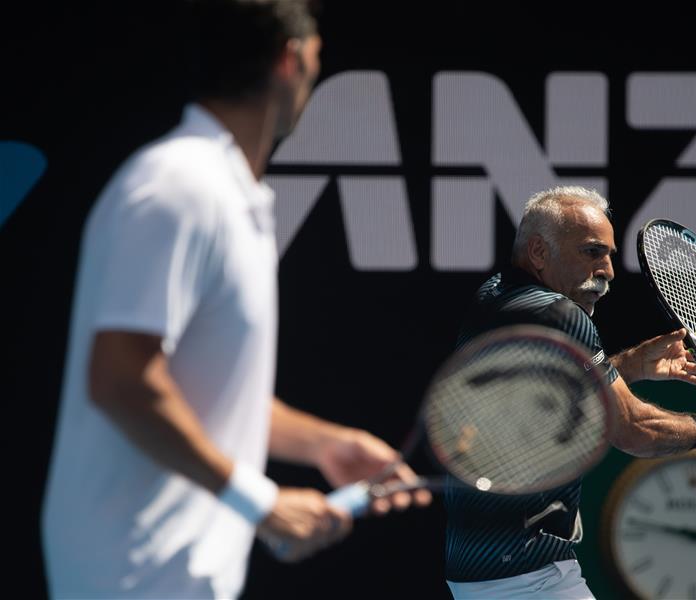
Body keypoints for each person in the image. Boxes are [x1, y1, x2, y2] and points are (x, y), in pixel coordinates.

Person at [40, 1, 429, 598]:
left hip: (182, 573)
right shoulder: (178, 187)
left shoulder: (229, 193)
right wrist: (262, 501)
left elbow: (201, 391)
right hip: (131, 574)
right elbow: (121, 380)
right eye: (318, 54)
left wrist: (323, 444)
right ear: (290, 58)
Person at [444, 186, 696, 599]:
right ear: (538, 252)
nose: (608, 269)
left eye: (608, 254)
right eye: (591, 252)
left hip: (475, 575)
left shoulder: (494, 298)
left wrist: (630, 365)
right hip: (531, 577)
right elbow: (635, 431)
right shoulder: (561, 314)